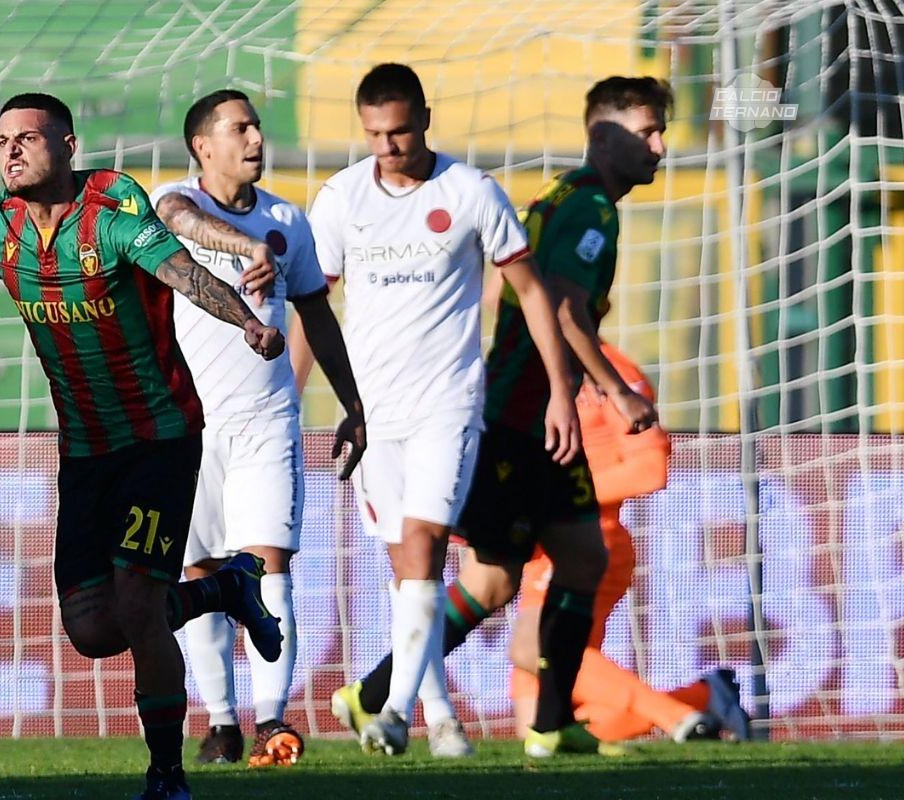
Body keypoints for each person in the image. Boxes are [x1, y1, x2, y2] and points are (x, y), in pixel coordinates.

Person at [0, 92, 287, 800]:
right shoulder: (2, 229)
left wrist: (246, 320)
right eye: (2, 140)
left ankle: (168, 776)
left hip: (158, 440)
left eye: (27, 138)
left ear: (66, 146)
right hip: (85, 451)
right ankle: (225, 587)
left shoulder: (114, 215)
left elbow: (183, 274)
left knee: (135, 596)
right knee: (94, 630)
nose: (10, 150)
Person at [327, 75, 674, 759]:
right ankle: (371, 697)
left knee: (580, 557)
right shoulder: (588, 210)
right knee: (494, 579)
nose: (659, 146)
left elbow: (513, 290)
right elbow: (567, 309)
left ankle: (548, 724)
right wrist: (612, 392)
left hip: (531, 411)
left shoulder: (569, 200)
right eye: (646, 132)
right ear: (603, 135)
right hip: (516, 418)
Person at [293, 63, 580, 758]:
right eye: (374, 135)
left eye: (398, 131)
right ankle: (443, 718)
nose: (387, 147)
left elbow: (532, 293)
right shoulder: (340, 200)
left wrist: (563, 390)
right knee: (407, 572)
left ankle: (391, 712)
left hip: (448, 405)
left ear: (425, 116)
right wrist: (289, 398)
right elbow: (311, 306)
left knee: (422, 546)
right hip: (371, 412)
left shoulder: (471, 191)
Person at [150, 89, 365, 768]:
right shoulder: (173, 203)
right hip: (189, 427)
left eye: (256, 126)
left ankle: (274, 719)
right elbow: (179, 217)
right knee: (200, 572)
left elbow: (316, 315)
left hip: (268, 421)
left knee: (270, 566)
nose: (254, 138)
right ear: (202, 146)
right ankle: (220, 722)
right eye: (237, 128)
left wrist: (354, 404)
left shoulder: (288, 221)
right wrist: (243, 246)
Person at [508, 341, 751, 743]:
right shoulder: (526, 363)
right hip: (540, 546)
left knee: (532, 647)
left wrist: (555, 499)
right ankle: (702, 699)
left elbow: (650, 469)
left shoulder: (609, 372)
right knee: (537, 728)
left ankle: (677, 716)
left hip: (586, 537)